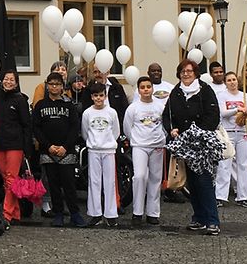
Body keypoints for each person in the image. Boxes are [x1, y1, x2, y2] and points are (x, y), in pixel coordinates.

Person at [166, 60, 222, 235]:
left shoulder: (205, 90)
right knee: (192, 183)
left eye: (189, 71)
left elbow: (213, 114)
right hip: (185, 144)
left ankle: (212, 220)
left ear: (196, 73)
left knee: (204, 181)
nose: (186, 74)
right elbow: (167, 115)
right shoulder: (175, 92)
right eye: (183, 71)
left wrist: (199, 132)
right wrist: (172, 129)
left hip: (202, 144)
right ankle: (199, 218)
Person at [33, 72, 84, 228]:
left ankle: (75, 214)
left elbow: (74, 128)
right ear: (47, 86)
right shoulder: (40, 105)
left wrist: (65, 147)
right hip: (48, 152)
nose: (54, 87)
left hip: (66, 151)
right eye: (51, 84)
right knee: (53, 185)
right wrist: (48, 146)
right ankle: (58, 214)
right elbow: (36, 128)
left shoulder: (69, 105)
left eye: (57, 84)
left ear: (62, 87)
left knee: (69, 184)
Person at [124, 76, 167, 225]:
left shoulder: (160, 106)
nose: (146, 90)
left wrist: (161, 138)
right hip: (139, 146)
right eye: (142, 87)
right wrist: (135, 140)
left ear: (152, 88)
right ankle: (137, 212)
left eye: (148, 87)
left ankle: (153, 213)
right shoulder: (133, 108)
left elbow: (165, 125)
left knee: (155, 178)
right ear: (138, 90)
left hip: (157, 145)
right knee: (140, 176)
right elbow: (127, 127)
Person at [0, 71, 32, 224]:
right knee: (5, 178)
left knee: (11, 179)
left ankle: (6, 214)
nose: (8, 82)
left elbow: (26, 125)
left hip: (15, 144)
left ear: (16, 83)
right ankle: (16, 212)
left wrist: (27, 148)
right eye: (6, 79)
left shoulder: (20, 100)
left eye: (11, 80)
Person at [81, 83, 120, 227]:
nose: (98, 98)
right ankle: (95, 214)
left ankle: (110, 214)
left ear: (105, 96)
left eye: (101, 95)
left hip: (108, 150)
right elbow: (85, 132)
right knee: (94, 182)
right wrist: (93, 143)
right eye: (95, 96)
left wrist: (108, 143)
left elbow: (116, 131)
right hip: (94, 150)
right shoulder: (87, 113)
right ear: (92, 97)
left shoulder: (112, 112)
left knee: (110, 182)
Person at [215, 72, 247, 208]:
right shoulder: (221, 96)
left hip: (243, 132)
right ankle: (220, 196)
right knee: (224, 164)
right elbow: (222, 113)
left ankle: (243, 196)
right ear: (225, 83)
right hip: (227, 133)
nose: (232, 82)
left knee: (243, 165)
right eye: (229, 80)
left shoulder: (246, 96)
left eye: (234, 79)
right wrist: (237, 109)